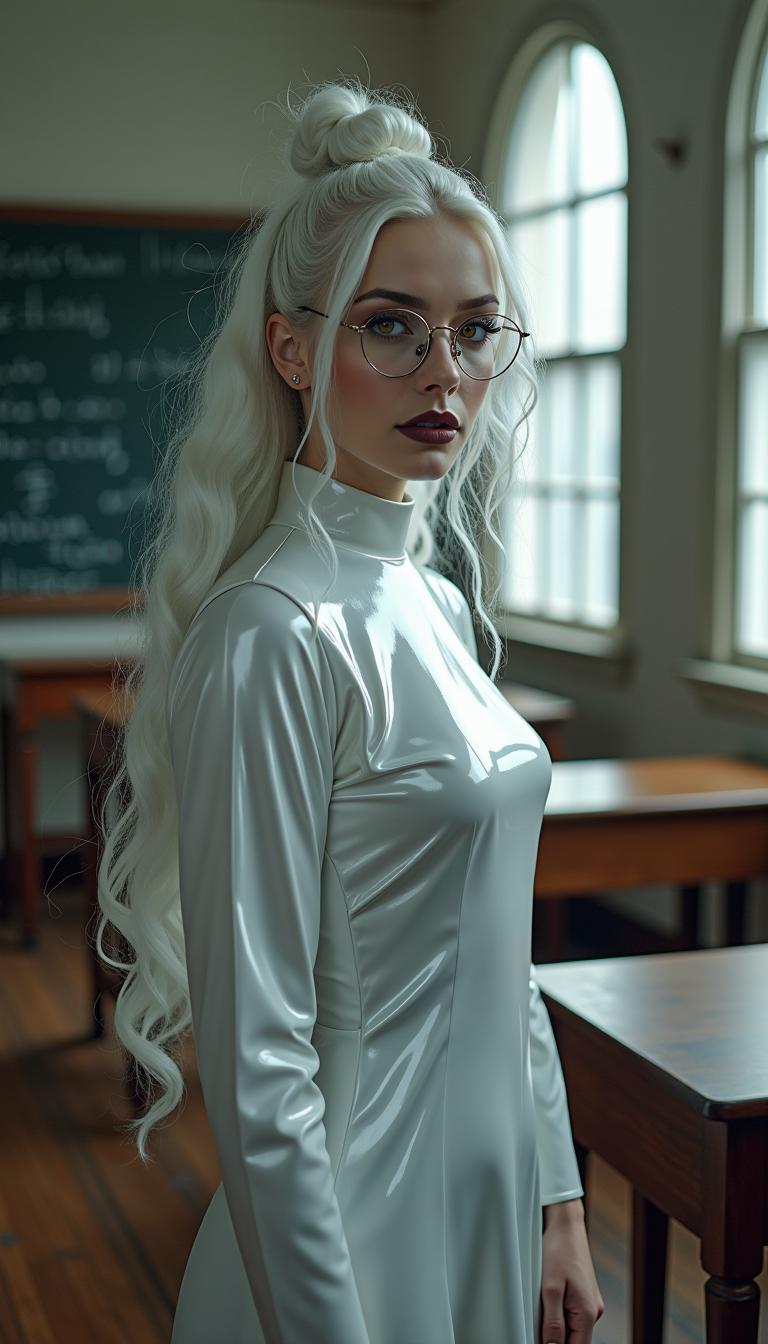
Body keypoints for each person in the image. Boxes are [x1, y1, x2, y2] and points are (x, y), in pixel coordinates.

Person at [95, 75, 604, 1343]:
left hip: (492, 1201)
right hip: (344, 1246)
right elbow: (260, 1074)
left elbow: (502, 958)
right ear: (291, 345)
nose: (445, 373)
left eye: (477, 330)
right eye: (392, 326)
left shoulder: (427, 600)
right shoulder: (271, 633)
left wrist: (558, 1201)